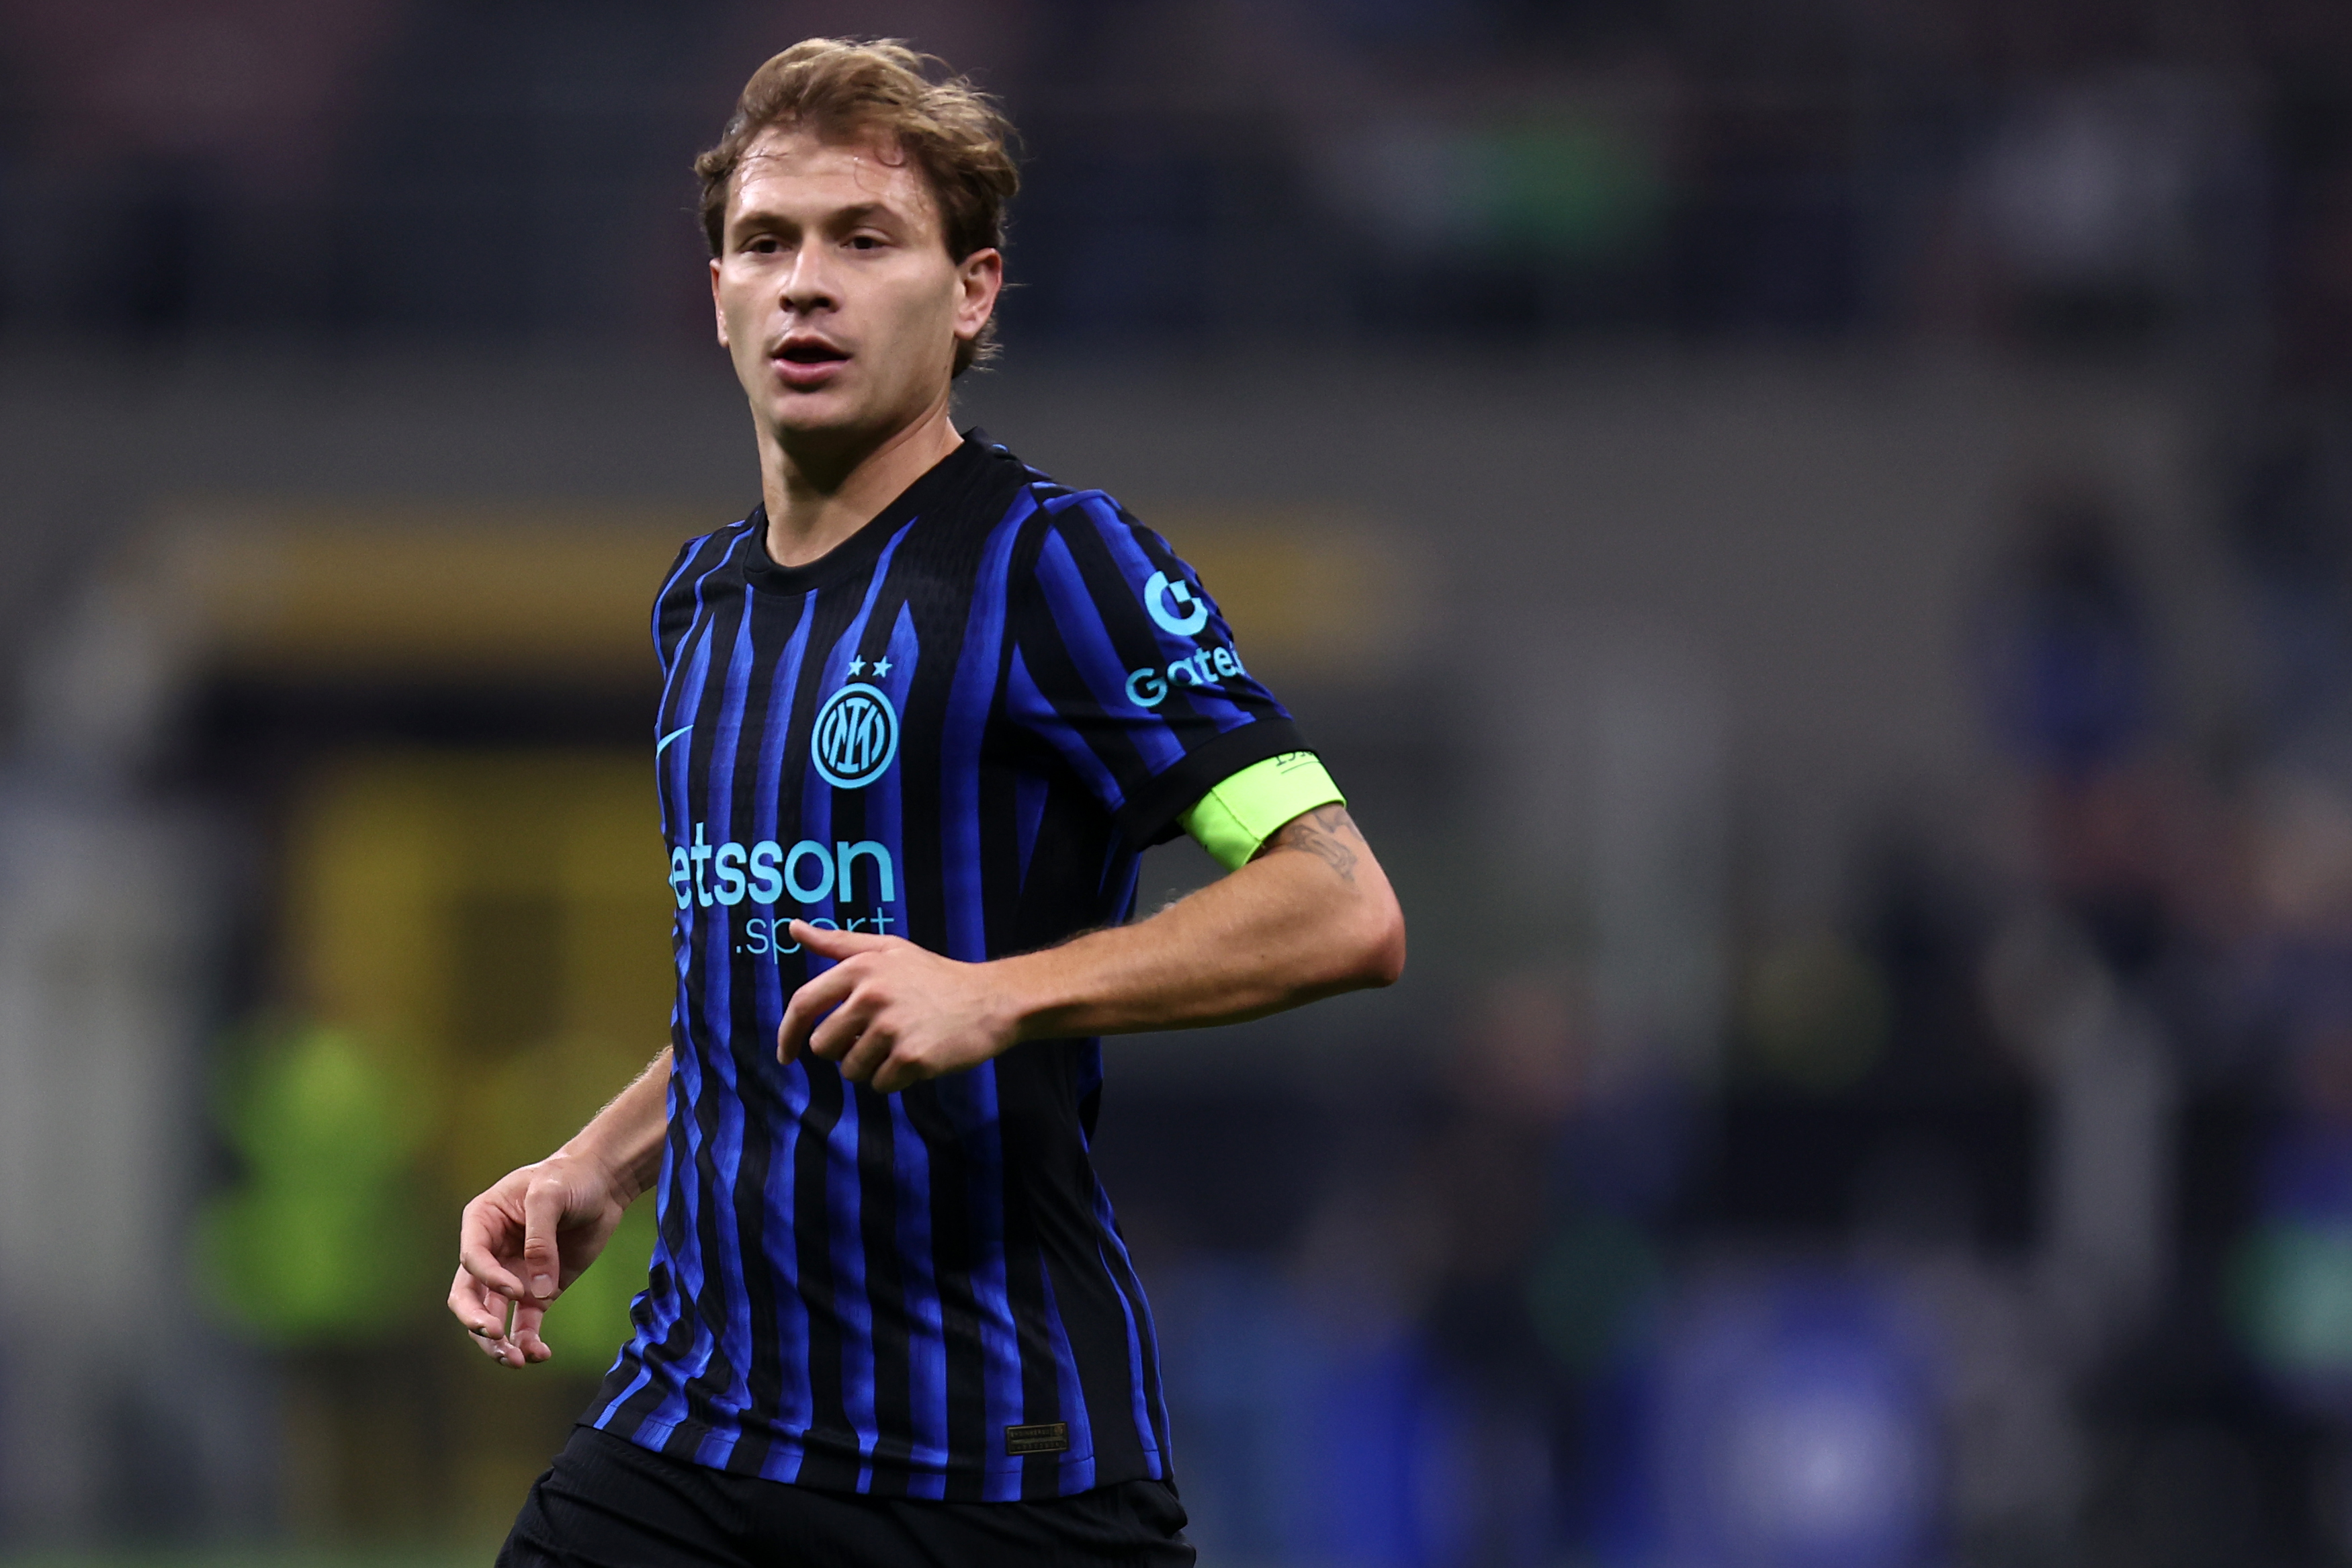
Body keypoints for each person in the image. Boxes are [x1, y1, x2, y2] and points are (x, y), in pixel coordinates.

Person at [449, 37, 1405, 1567]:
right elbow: (767, 970)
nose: (805, 282)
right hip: (700, 1423)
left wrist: (1000, 995)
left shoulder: (1057, 567)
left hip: (990, 1461)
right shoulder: (702, 606)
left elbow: (1342, 904)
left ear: (971, 294)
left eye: (864, 239)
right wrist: (597, 1163)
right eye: (765, 242)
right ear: (716, 297)